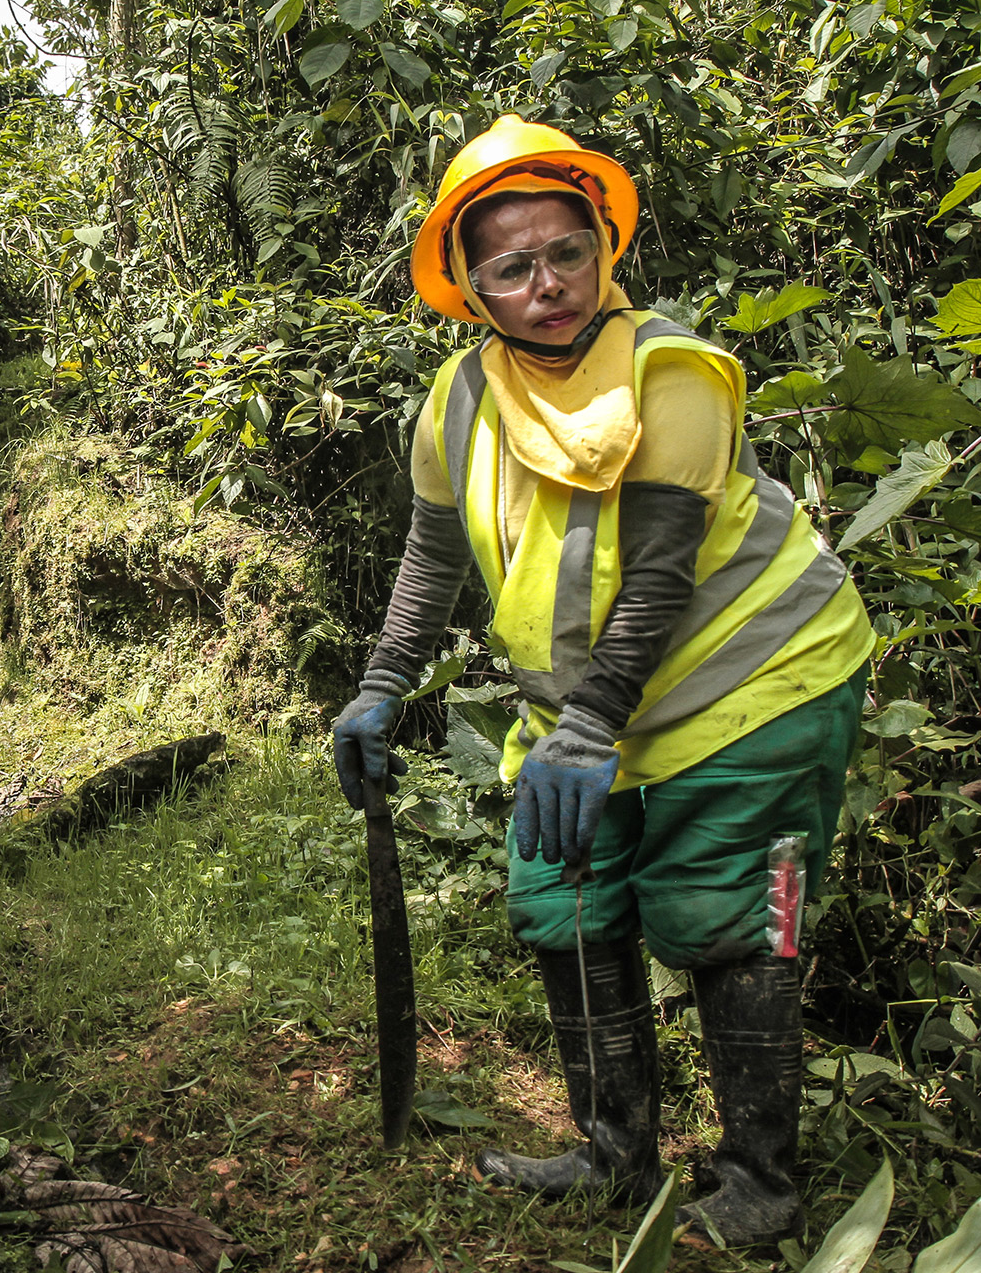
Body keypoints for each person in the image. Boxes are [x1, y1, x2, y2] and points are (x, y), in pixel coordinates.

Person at [332, 116, 873, 1246]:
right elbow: (434, 552)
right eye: (514, 265)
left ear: (603, 250)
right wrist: (383, 681)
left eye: (567, 251)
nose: (548, 284)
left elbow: (661, 565)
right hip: (586, 710)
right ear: (471, 285)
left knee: (735, 916)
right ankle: (614, 1152)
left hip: (758, 681)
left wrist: (589, 724)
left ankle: (759, 1184)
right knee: (560, 899)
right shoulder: (460, 397)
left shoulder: (670, 371)